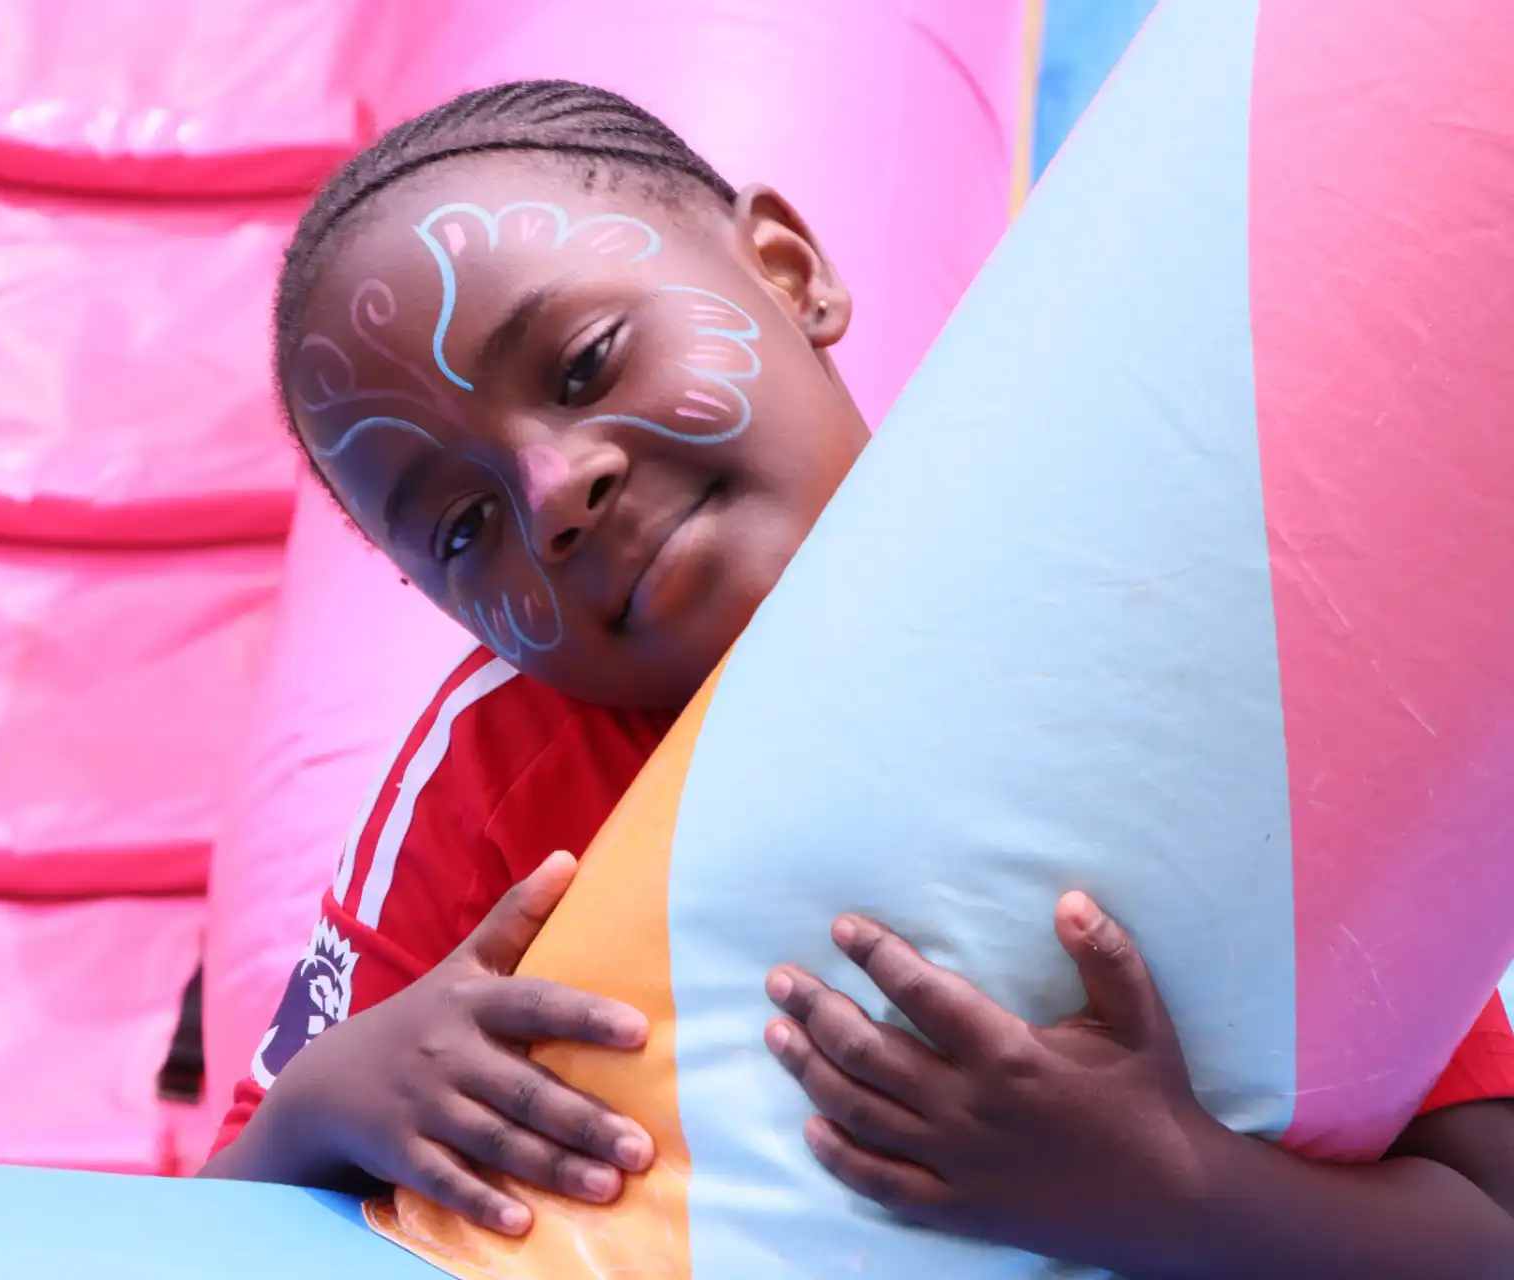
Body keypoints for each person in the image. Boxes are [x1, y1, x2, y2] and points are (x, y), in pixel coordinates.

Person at [198, 80, 1514, 1277]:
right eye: (463, 529)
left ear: (787, 268)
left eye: (588, 364)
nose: (550, 495)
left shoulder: (1159, 630)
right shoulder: (493, 773)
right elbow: (220, 1210)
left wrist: (1170, 1189)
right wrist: (335, 1095)